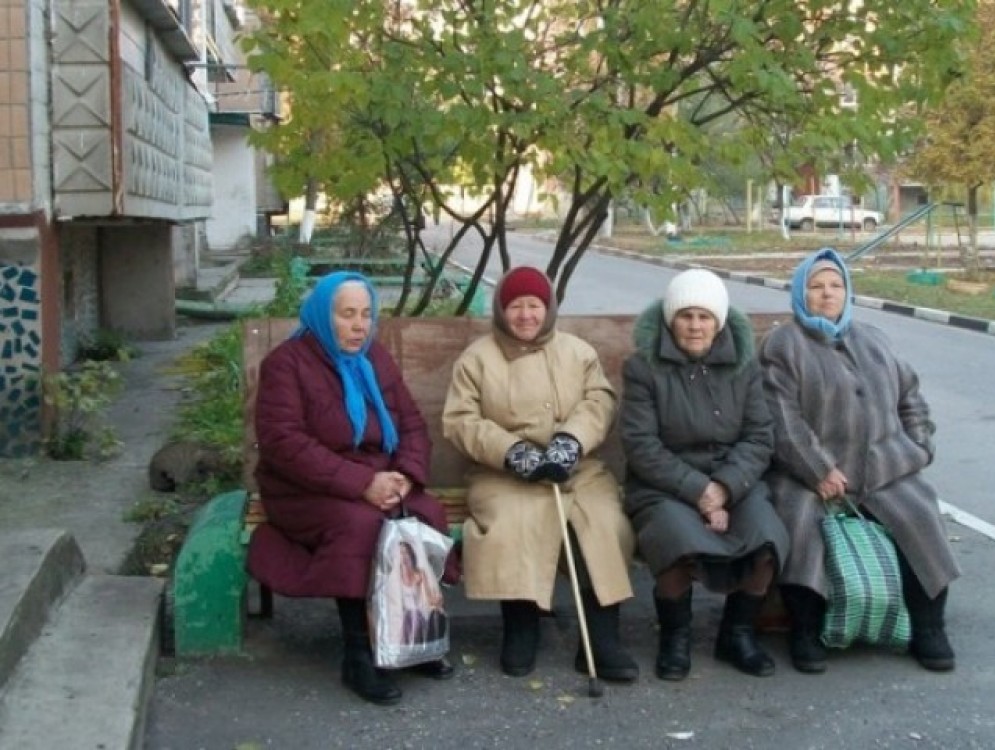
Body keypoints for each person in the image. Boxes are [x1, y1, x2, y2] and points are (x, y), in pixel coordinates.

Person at [247, 271, 459, 707]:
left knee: (425, 514)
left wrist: (405, 475)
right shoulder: (286, 364)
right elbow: (284, 444)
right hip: (304, 490)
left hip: (379, 477)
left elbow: (412, 423)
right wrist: (362, 483)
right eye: (347, 315)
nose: (359, 326)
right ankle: (360, 654)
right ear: (324, 317)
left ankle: (414, 637)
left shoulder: (374, 358)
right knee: (361, 527)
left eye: (366, 315)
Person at [759, 248, 961, 674]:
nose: (827, 294)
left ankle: (929, 627)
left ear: (847, 292)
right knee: (798, 518)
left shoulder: (874, 339)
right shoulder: (784, 345)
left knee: (920, 511)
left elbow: (912, 399)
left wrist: (919, 447)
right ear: (801, 294)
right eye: (816, 286)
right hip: (811, 474)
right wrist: (817, 469)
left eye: (835, 285)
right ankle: (806, 629)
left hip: (889, 469)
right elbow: (782, 418)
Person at [441, 266, 638, 681]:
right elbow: (461, 420)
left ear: (547, 309)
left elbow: (599, 401)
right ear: (502, 310)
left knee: (603, 522)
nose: (526, 315)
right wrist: (514, 453)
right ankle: (520, 627)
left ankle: (601, 637)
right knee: (514, 523)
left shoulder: (577, 352)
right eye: (516, 306)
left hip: (575, 468)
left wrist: (570, 442)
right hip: (503, 473)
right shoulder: (477, 358)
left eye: (534, 305)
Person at [619, 269, 790, 680]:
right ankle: (675, 638)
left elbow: (759, 435)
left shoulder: (744, 366)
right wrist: (699, 491)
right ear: (669, 319)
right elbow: (641, 445)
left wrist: (726, 488)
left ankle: (737, 633)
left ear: (719, 320)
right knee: (675, 537)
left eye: (704, 316)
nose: (695, 326)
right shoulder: (643, 368)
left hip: (734, 481)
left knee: (766, 535)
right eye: (685, 315)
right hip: (664, 485)